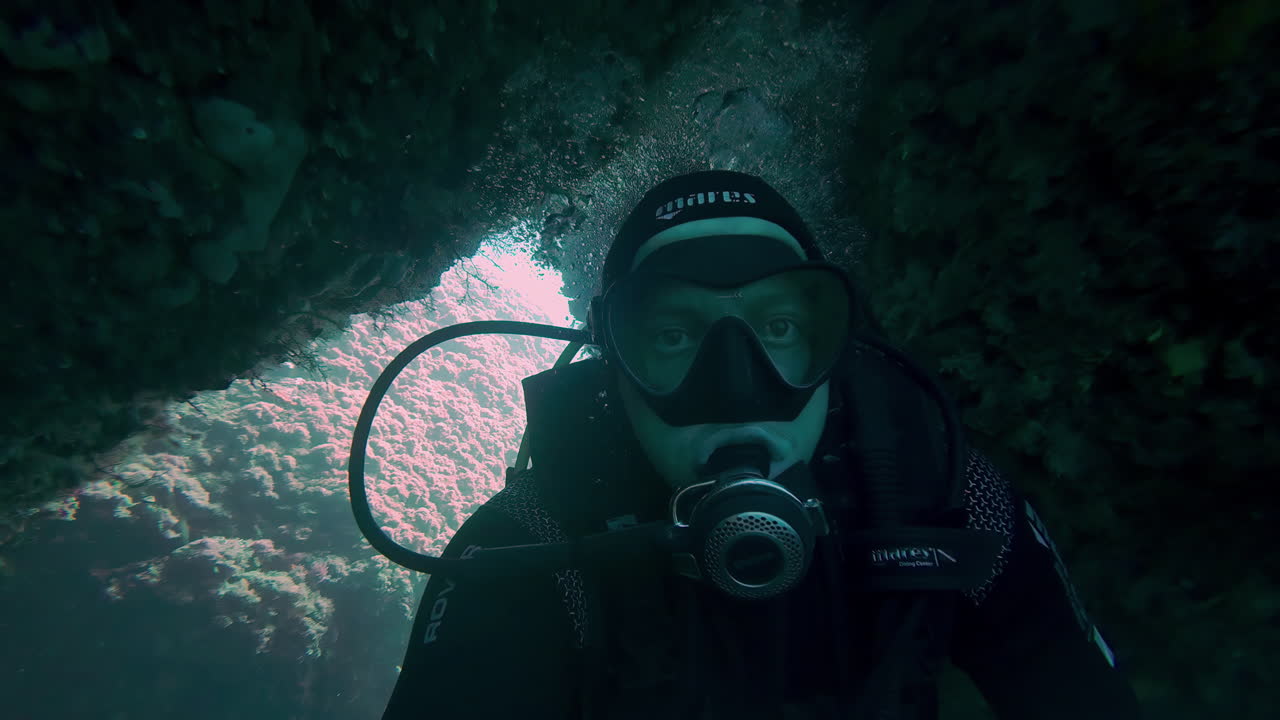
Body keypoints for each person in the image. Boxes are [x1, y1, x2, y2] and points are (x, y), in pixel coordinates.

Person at [380, 171, 1143, 719]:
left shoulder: (945, 499)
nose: (738, 389)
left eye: (778, 328)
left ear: (835, 349)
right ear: (615, 367)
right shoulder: (534, 545)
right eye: (675, 336)